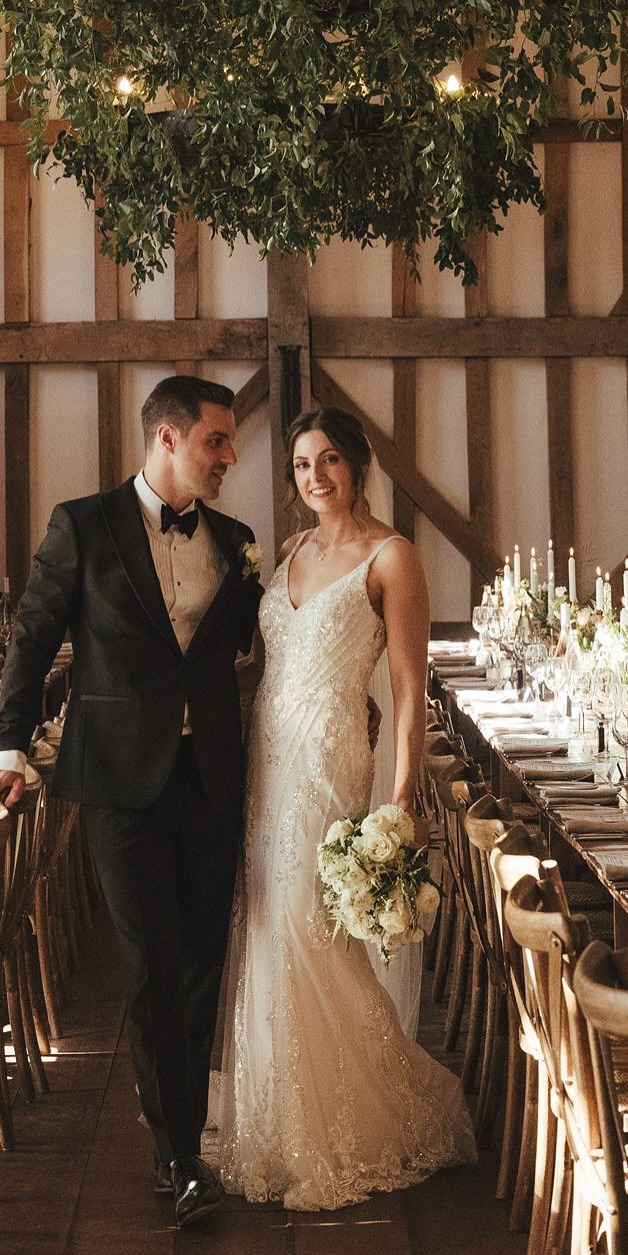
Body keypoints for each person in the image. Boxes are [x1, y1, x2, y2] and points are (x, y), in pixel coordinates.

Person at [0, 376, 263, 1228]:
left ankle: (187, 1135)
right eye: (217, 440)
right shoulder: (83, 525)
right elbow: (33, 637)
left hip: (211, 773)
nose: (229, 457)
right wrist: (8, 743)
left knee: (205, 954)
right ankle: (175, 1153)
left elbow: (260, 643)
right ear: (167, 439)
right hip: (118, 781)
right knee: (150, 962)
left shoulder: (239, 541)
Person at [215, 405, 477, 1210]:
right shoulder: (290, 551)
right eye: (301, 465)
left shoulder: (391, 557)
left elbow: (406, 690)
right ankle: (280, 1123)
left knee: (309, 917)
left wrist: (399, 798)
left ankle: (355, 1121)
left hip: (331, 761)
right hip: (269, 753)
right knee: (265, 916)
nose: (315, 476)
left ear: (357, 465)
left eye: (329, 460)